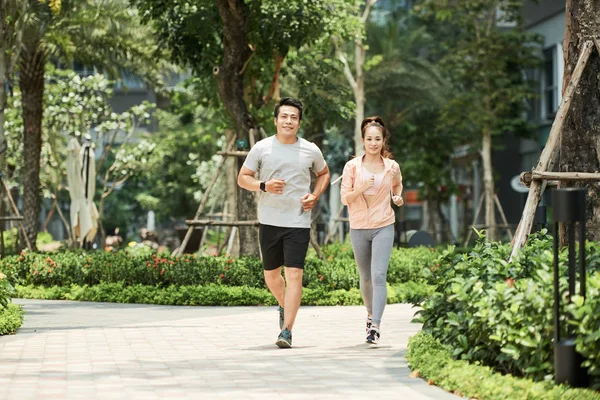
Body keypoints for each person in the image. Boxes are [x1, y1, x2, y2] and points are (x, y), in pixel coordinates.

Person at [237, 97, 330, 348]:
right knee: (272, 277)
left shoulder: (310, 149)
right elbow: (242, 178)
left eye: (294, 117)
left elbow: (324, 173)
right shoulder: (262, 148)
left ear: (299, 122)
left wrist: (315, 195)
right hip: (269, 220)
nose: (289, 121)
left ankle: (286, 330)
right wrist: (264, 185)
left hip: (298, 221)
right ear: (276, 120)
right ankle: (283, 303)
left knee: (294, 274)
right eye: (284, 116)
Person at [340, 116, 404, 345]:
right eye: (369, 139)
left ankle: (375, 325)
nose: (373, 143)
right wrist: (360, 189)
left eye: (377, 139)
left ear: (383, 140)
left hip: (383, 224)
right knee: (365, 277)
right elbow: (345, 198)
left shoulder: (391, 167)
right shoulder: (352, 167)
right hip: (358, 227)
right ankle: (369, 314)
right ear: (363, 141)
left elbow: (397, 184)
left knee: (378, 276)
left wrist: (396, 197)